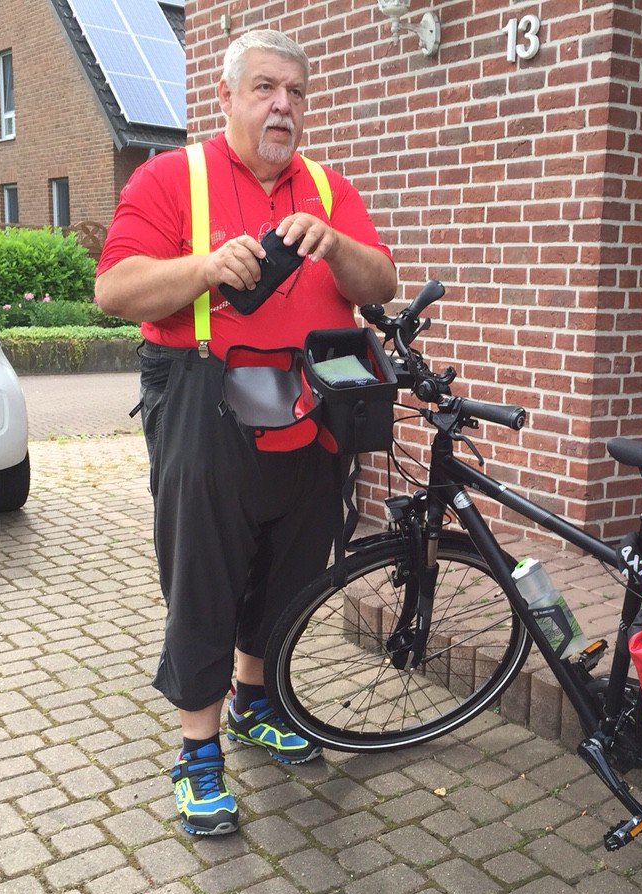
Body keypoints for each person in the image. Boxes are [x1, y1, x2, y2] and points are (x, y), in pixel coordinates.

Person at [95, 29, 397, 836]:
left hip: (312, 399)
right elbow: (115, 289)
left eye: (296, 92)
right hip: (205, 391)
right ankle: (197, 753)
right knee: (204, 573)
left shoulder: (328, 189)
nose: (282, 106)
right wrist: (204, 268)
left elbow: (382, 281)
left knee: (293, 564)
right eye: (265, 88)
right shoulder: (172, 177)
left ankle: (254, 702)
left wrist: (336, 246)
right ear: (225, 96)